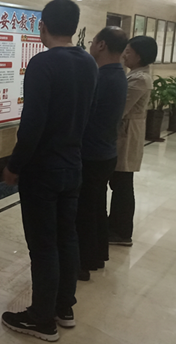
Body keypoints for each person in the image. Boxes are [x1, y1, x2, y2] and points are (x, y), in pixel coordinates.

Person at [0, 0, 98, 342]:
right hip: (73, 164)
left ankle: (41, 319)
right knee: (66, 237)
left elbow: (33, 124)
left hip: (43, 171)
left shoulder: (42, 63)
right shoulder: (89, 63)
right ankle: (63, 307)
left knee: (43, 244)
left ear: (42, 25)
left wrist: (14, 165)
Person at [76, 27, 128, 281]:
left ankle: (82, 262)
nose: (91, 44)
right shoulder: (118, 74)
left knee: (84, 210)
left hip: (92, 153)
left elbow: (84, 115)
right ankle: (96, 256)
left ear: (101, 45)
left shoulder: (102, 77)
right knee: (96, 206)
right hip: (106, 152)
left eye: (93, 40)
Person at [108, 36, 157, 246]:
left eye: (128, 51)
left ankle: (121, 232)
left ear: (139, 55)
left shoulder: (140, 79)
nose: (124, 55)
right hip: (125, 133)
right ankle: (115, 226)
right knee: (119, 183)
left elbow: (119, 108)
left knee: (122, 184)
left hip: (127, 135)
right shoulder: (135, 74)